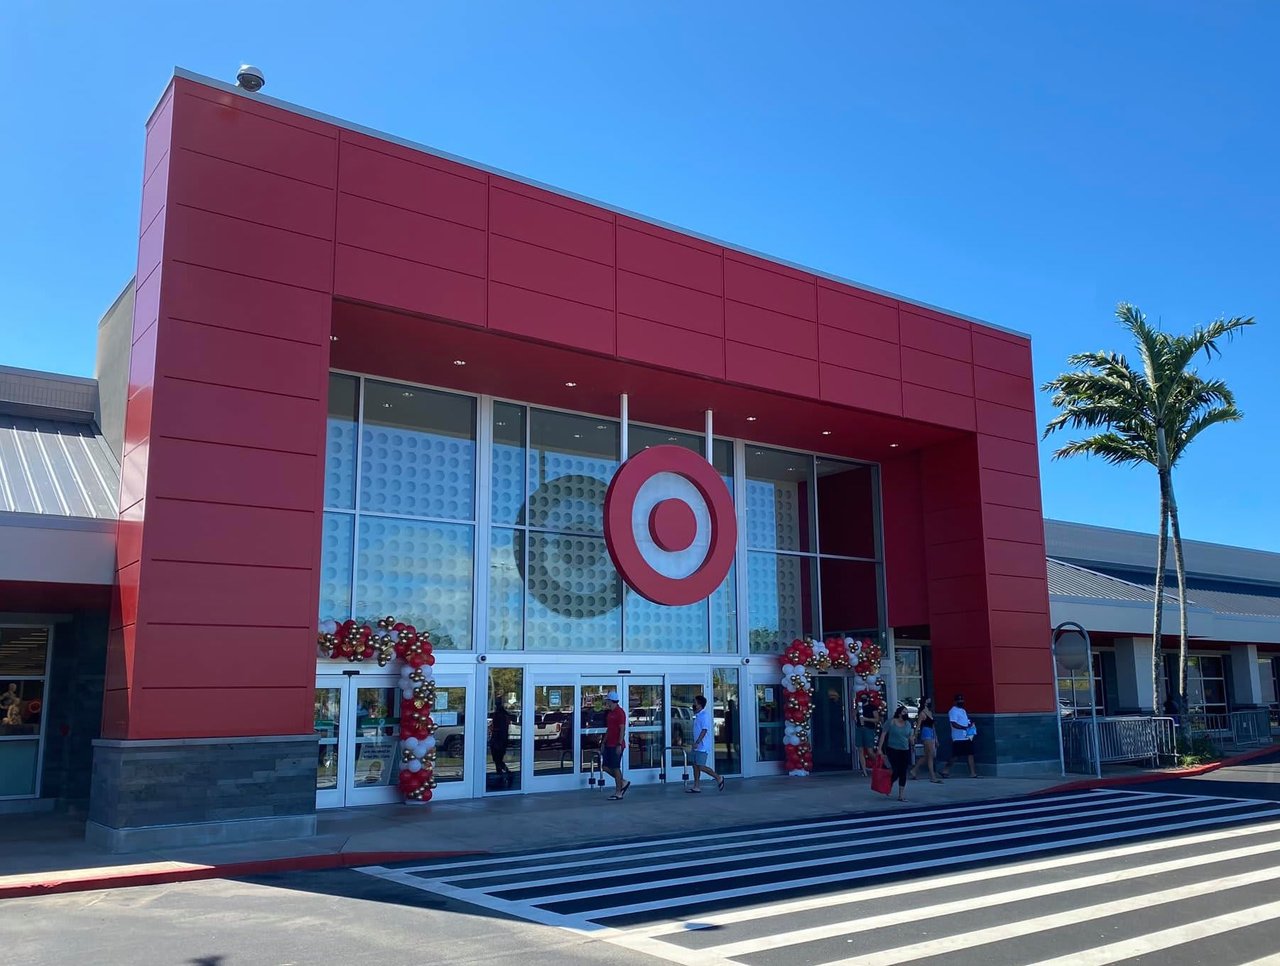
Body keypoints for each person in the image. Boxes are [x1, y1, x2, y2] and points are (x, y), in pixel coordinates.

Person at [876, 705, 915, 802]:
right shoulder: (891, 722)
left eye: (906, 712)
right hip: (893, 749)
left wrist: (913, 743)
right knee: (896, 770)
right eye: (904, 712)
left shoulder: (908, 724)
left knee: (903, 772)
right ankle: (889, 784)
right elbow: (883, 735)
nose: (905, 714)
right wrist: (879, 748)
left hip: (904, 749)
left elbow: (910, 737)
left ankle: (901, 795)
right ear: (899, 713)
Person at [687, 694, 725, 793]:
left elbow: (704, 730)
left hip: (702, 746)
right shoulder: (697, 715)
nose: (693, 704)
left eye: (695, 702)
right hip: (696, 746)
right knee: (695, 766)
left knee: (700, 766)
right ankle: (696, 786)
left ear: (699, 705)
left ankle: (718, 777)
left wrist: (698, 742)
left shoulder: (705, 715)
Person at [940, 693, 978, 778]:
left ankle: (972, 773)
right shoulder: (953, 711)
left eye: (962, 700)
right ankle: (945, 770)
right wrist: (963, 727)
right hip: (958, 737)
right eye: (959, 700)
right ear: (955, 701)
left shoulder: (963, 710)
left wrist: (970, 726)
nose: (961, 701)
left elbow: (966, 721)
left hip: (967, 736)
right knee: (955, 755)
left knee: (970, 753)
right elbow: (953, 723)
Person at [602, 691, 630, 800]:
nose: (606, 703)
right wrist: (604, 742)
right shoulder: (610, 713)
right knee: (605, 767)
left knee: (615, 767)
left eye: (607, 701)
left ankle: (619, 792)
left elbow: (622, 729)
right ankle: (622, 782)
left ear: (611, 701)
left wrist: (619, 744)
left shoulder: (620, 712)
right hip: (609, 744)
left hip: (616, 745)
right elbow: (609, 730)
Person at [908, 697, 944, 783]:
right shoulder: (922, 713)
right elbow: (918, 726)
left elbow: (933, 726)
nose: (930, 701)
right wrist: (915, 736)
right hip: (926, 733)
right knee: (930, 754)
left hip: (931, 733)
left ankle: (914, 770)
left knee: (928, 755)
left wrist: (936, 738)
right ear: (925, 702)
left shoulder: (929, 712)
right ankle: (932, 776)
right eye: (928, 700)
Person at [489, 698, 514, 787]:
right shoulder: (504, 715)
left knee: (497, 760)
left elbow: (499, 729)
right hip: (501, 739)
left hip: (498, 739)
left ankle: (506, 773)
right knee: (498, 760)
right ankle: (502, 774)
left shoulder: (499, 715)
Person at [854, 697, 881, 773]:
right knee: (860, 749)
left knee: (870, 751)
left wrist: (866, 719)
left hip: (869, 729)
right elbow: (853, 716)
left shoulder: (872, 707)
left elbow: (877, 719)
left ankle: (879, 765)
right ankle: (864, 770)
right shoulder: (859, 707)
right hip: (859, 729)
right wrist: (857, 709)